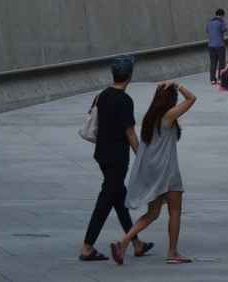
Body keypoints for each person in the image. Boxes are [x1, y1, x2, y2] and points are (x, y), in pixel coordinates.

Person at [110, 82, 196, 265]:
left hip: (155, 172)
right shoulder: (169, 116)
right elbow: (192, 99)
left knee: (153, 213)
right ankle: (172, 252)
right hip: (169, 171)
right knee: (175, 211)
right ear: (170, 99)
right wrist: (179, 85)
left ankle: (123, 242)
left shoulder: (151, 118)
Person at [79, 56, 150, 262]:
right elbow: (130, 133)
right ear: (129, 76)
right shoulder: (125, 100)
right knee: (106, 200)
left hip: (102, 154)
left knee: (119, 199)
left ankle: (136, 243)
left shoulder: (103, 95)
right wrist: (142, 157)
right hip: (118, 158)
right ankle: (87, 247)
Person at [206, 8, 228, 83]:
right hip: (220, 45)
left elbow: (207, 31)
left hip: (210, 46)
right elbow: (225, 29)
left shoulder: (209, 22)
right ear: (222, 15)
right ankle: (220, 78)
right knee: (221, 62)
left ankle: (212, 79)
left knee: (213, 62)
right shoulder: (221, 22)